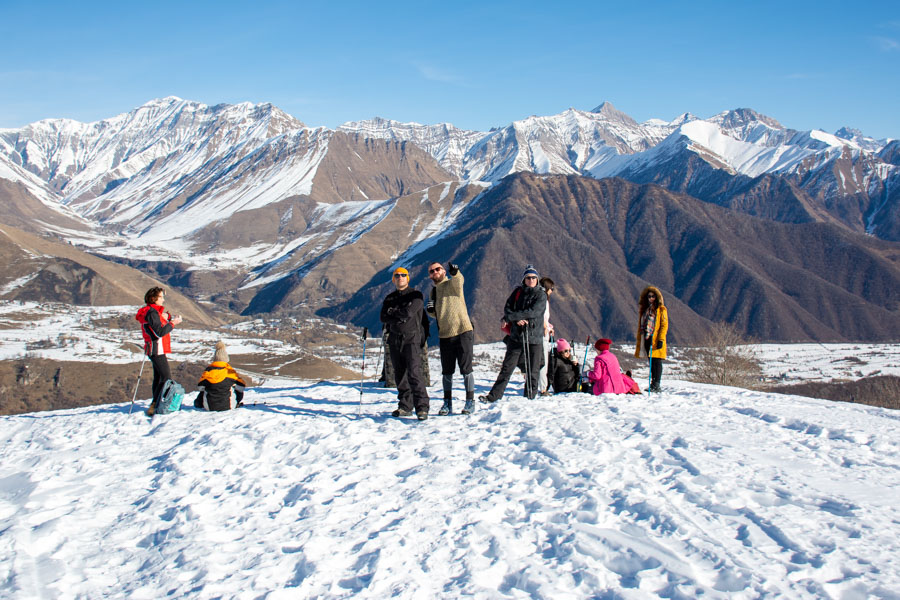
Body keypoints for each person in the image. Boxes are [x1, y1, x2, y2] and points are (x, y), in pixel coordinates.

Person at [480, 265, 547, 403]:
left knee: (532, 370)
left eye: (534, 277)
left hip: (533, 337)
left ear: (538, 279)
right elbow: (507, 308)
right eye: (528, 278)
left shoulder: (541, 294)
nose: (531, 280)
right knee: (507, 368)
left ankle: (530, 398)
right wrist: (516, 318)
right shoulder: (518, 292)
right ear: (524, 279)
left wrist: (514, 317)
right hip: (517, 336)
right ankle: (494, 396)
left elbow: (534, 312)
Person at [426, 261, 476, 415]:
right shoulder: (433, 292)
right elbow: (437, 313)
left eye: (438, 269)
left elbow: (459, 281)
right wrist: (430, 312)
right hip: (445, 334)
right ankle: (447, 402)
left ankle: (470, 401)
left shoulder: (452, 284)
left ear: (443, 271)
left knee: (466, 368)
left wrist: (455, 272)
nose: (435, 272)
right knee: (447, 371)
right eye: (432, 271)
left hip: (462, 331)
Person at [381, 267, 430, 420]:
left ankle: (422, 407)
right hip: (394, 339)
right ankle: (405, 406)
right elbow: (383, 317)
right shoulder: (389, 298)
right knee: (399, 374)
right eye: (397, 275)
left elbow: (409, 313)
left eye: (403, 275)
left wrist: (393, 312)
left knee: (414, 373)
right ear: (393, 279)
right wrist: (399, 314)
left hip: (411, 338)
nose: (400, 277)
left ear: (408, 278)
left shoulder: (416, 295)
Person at [135, 286, 182, 416]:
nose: (163, 300)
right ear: (153, 298)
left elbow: (155, 323)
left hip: (153, 348)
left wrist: (165, 316)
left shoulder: (150, 312)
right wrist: (173, 323)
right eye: (161, 297)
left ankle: (155, 403)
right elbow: (159, 331)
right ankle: (158, 404)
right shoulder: (151, 313)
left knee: (159, 377)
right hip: (157, 348)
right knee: (166, 377)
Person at [194, 341, 247, 411]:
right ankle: (235, 403)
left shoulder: (207, 372)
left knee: (204, 391)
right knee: (236, 389)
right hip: (228, 406)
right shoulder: (230, 372)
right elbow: (241, 387)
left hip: (209, 407)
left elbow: (200, 387)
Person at [634, 286, 668, 392]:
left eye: (653, 296)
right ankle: (653, 383)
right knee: (651, 361)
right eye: (649, 296)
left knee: (657, 361)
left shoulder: (661, 310)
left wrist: (661, 339)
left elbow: (664, 325)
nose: (651, 298)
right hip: (647, 338)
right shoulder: (645, 309)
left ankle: (656, 384)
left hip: (656, 338)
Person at [538, 277, 555, 394]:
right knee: (543, 361)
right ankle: (543, 388)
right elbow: (541, 315)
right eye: (552, 288)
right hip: (542, 334)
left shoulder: (538, 298)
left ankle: (536, 385)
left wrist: (549, 326)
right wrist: (546, 327)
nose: (552, 291)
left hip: (540, 332)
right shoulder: (543, 300)